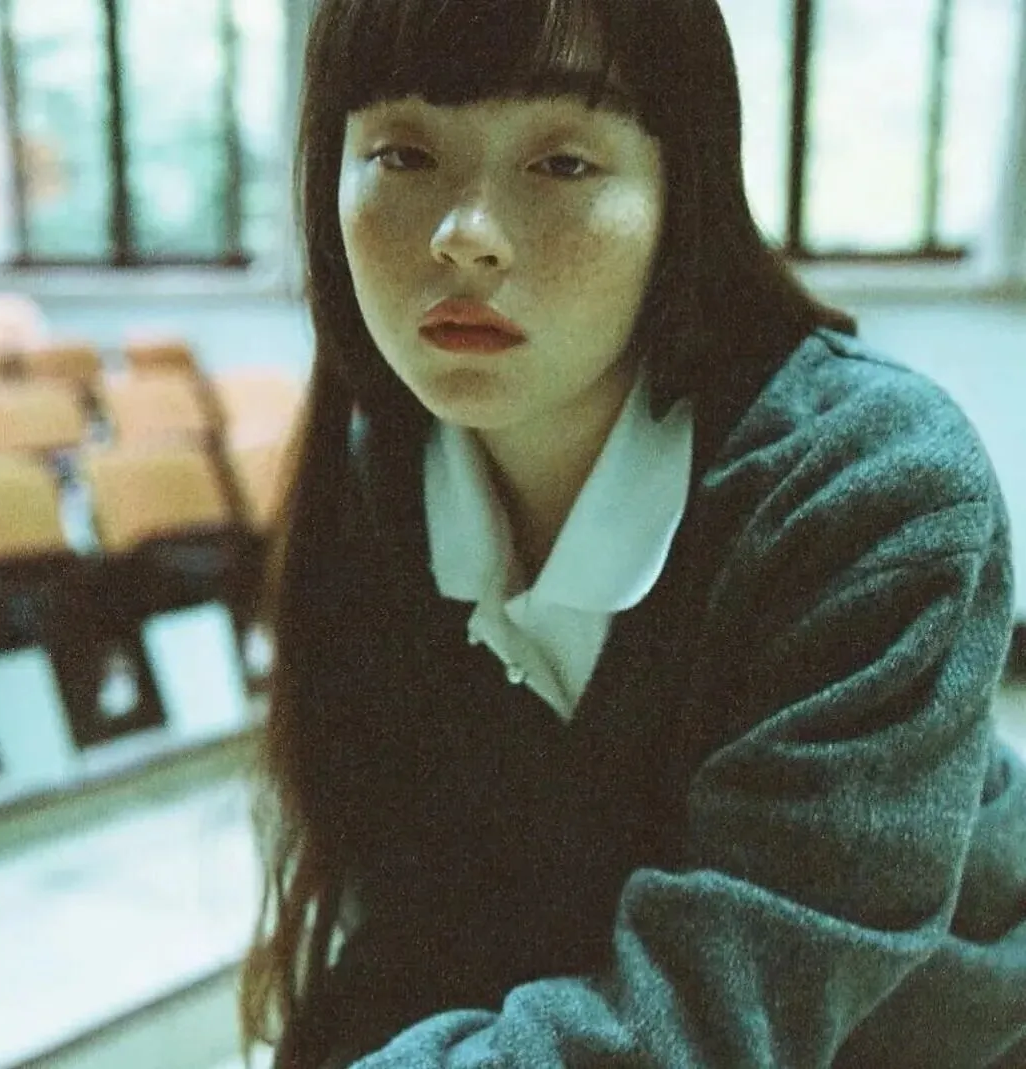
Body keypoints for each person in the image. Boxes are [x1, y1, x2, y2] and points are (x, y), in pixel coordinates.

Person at [239, 0, 1026, 1066]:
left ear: (681, 193)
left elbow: (724, 1006)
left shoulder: (873, 484)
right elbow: (418, 923)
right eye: (403, 154)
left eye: (562, 163)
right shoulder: (382, 467)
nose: (463, 233)